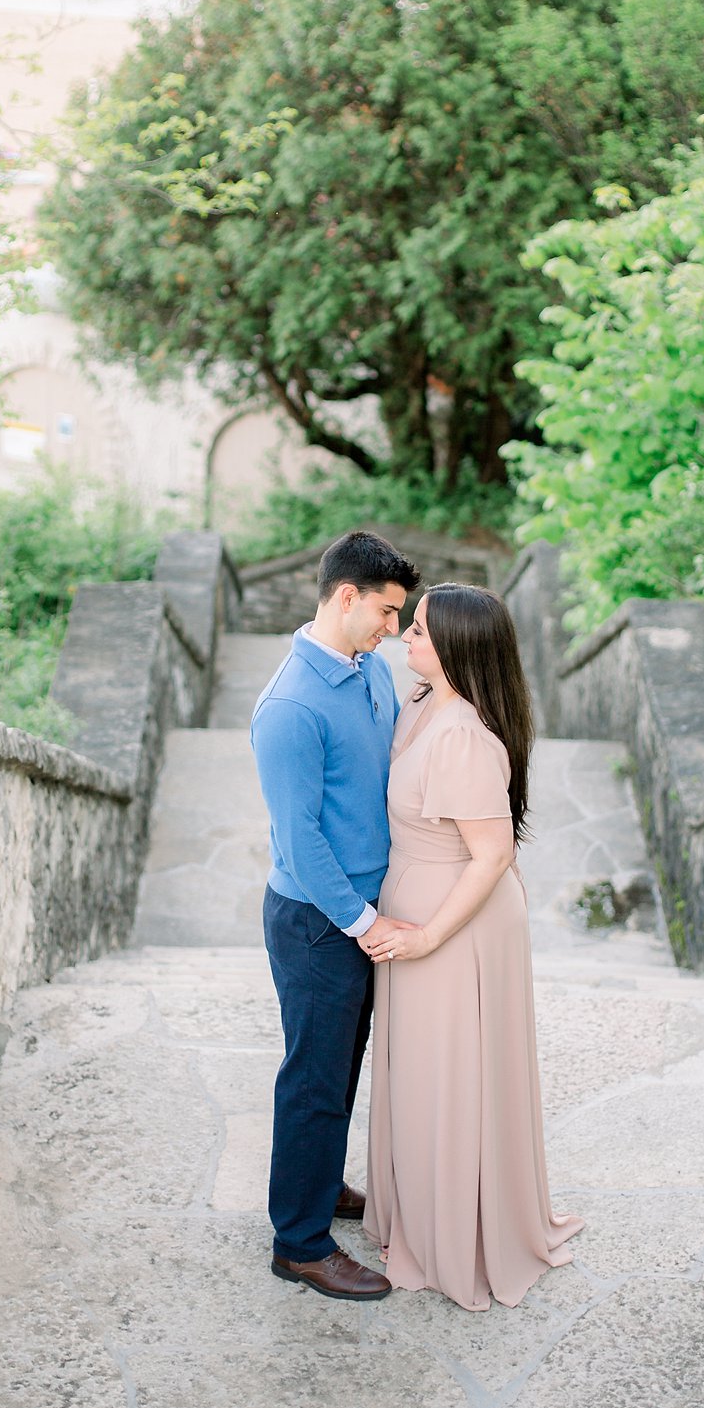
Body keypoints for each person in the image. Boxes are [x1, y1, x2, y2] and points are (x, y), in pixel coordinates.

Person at [361, 582, 583, 1311]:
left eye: (419, 631)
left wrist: (427, 935)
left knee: (448, 1076)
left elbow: (490, 857)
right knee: (424, 1075)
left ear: (455, 646)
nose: (405, 638)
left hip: (453, 922)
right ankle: (423, 1218)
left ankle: (456, 1235)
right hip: (426, 905)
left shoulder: (461, 736)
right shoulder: (426, 706)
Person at [250, 529, 421, 1301]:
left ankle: (318, 1185)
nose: (394, 628)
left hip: (361, 910)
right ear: (344, 596)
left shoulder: (370, 669)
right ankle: (300, 1242)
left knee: (341, 1067)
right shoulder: (289, 705)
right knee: (313, 1079)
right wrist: (364, 921)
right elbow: (299, 838)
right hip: (320, 921)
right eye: (387, 612)